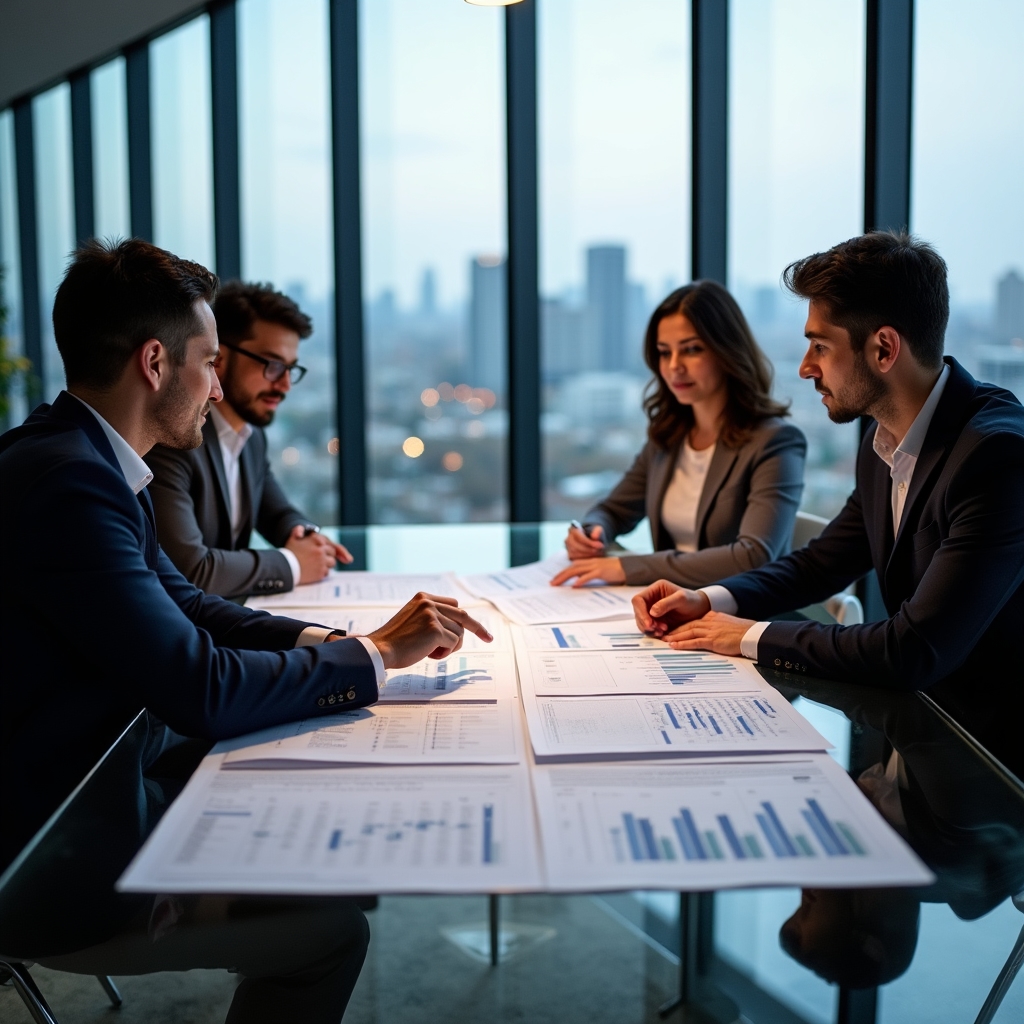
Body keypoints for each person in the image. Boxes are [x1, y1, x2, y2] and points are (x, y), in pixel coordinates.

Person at [0, 238, 490, 1022]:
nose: (217, 382)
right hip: (49, 854)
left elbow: (188, 605)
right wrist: (376, 656)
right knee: (333, 930)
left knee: (310, 806)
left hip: (97, 774)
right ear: (156, 363)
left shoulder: (81, 457)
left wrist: (325, 644)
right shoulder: (72, 484)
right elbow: (198, 686)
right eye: (210, 360)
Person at [631, 231, 1024, 700]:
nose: (804, 367)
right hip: (914, 722)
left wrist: (745, 635)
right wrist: (708, 599)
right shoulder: (883, 442)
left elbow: (912, 650)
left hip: (983, 749)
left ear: (883, 349)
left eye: (820, 346)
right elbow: (818, 567)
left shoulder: (997, 457)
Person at [551, 280, 806, 589]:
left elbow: (753, 557)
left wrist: (627, 567)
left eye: (692, 350)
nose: (674, 367)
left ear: (727, 351)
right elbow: (613, 510)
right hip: (668, 608)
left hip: (738, 618)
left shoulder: (775, 441)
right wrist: (591, 532)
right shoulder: (668, 437)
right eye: (663, 352)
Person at [145, 281, 349, 601]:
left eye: (291, 369)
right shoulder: (175, 441)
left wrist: (307, 537)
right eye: (273, 365)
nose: (284, 385)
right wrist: (294, 563)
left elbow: (278, 513)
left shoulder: (250, 439)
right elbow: (192, 571)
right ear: (220, 359)